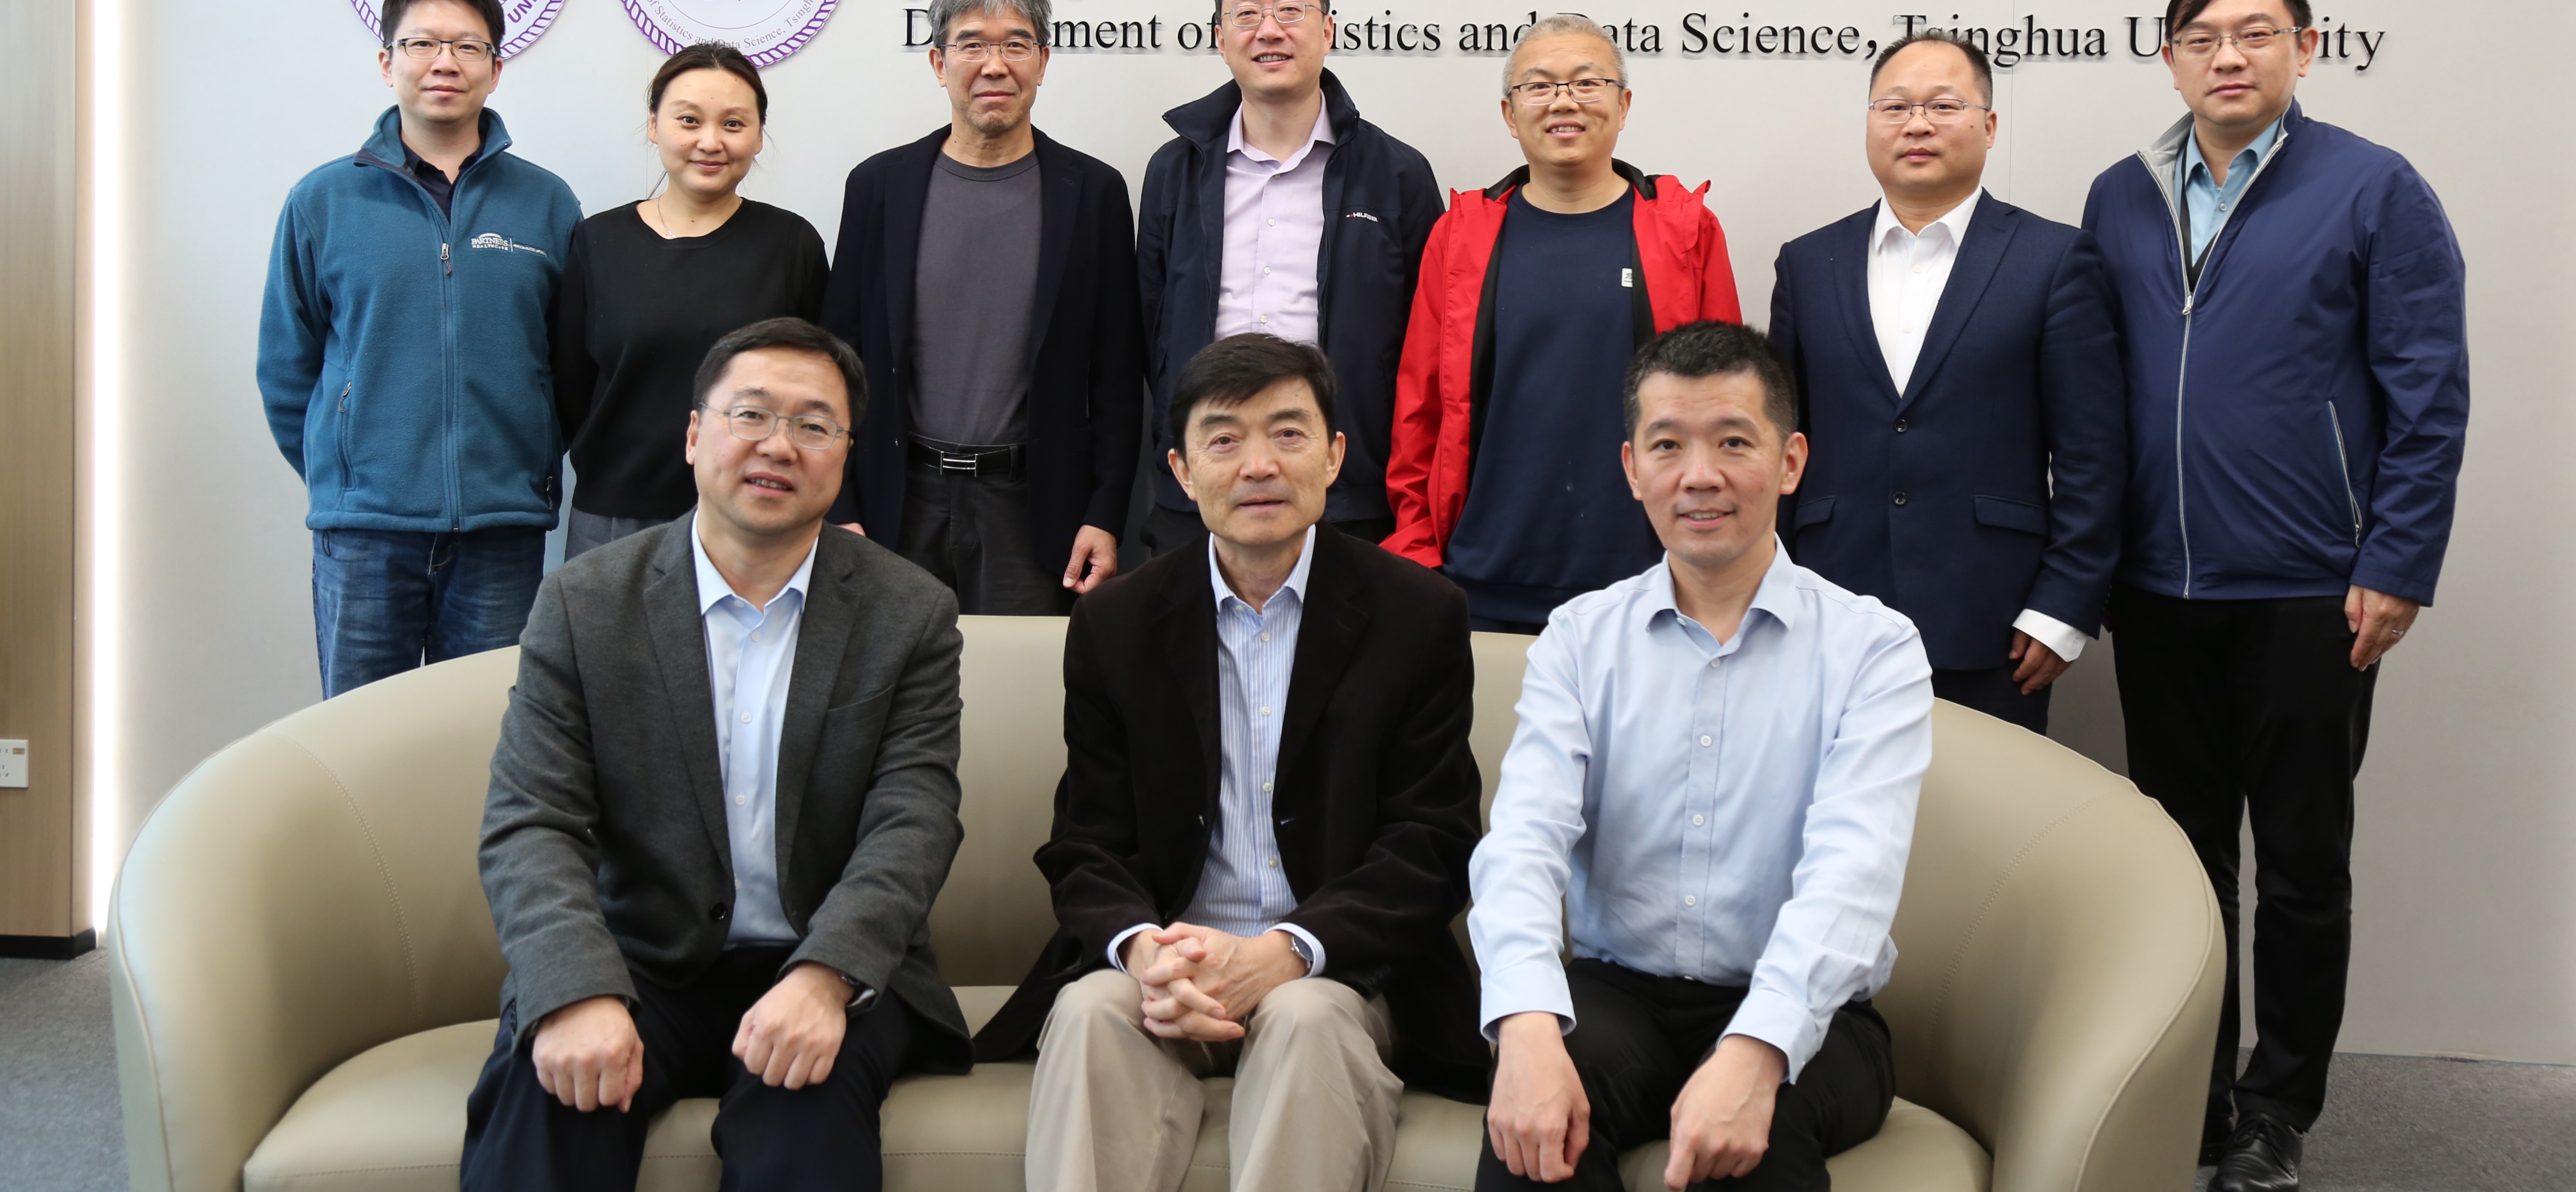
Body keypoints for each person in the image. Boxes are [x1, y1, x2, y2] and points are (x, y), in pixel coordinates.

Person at [2082, 0, 2468, 1192]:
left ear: (2305, 47)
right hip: (2157, 588)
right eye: (2202, 36)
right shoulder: (2121, 194)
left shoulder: (2371, 185)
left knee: (2300, 863)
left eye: (2256, 33)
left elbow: (2428, 391)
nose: (2228, 55)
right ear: (2169, 59)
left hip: (2311, 586)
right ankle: (2190, 1094)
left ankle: (2275, 1109)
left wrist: (2396, 557)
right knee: (2182, 862)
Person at [462, 317, 971, 1192]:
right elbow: (531, 819)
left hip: (822, 956)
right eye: (752, 414)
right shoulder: (586, 602)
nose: (780, 445)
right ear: (696, 434)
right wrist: (576, 988)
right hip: (640, 961)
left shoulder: (911, 612)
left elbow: (914, 820)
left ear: (844, 456)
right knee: (550, 1101)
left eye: (814, 425)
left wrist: (827, 976)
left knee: (803, 1127)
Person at [974, 333, 1486, 1192]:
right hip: (1170, 967)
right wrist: (1143, 951)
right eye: (1224, 439)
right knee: (1090, 1009)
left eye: (1287, 433)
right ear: (1181, 470)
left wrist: (1288, 950)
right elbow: (1087, 842)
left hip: (1334, 971)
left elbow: (1431, 842)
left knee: (1305, 1020)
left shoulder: (1418, 614)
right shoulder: (1116, 623)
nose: (1258, 465)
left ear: (1333, 456)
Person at [1471, 320, 1932, 1192]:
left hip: (1814, 1015)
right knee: (1533, 1140)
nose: (1699, 475)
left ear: (1790, 461)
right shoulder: (1578, 639)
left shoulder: (1875, 649)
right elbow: (1523, 842)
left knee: (1754, 1149)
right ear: (1631, 468)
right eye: (1667, 445)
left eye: (1733, 442)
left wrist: (1756, 1050)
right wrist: (1524, 1024)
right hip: (1617, 995)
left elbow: (1853, 872)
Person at [1767, 31, 2123, 732]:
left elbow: (2094, 451)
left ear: (1988, 126)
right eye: (1895, 106)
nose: (1917, 124)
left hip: (1996, 618)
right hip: (1829, 610)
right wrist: (1770, 593)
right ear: (1869, 123)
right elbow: (1781, 444)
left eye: (1942, 105)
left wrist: (2064, 606)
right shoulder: (1808, 263)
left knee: (1984, 804)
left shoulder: (2053, 259)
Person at [257, 0, 581, 696]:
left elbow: (568, 364)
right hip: (365, 534)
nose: (445, 62)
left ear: (495, 68)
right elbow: (287, 366)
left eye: (467, 46)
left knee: (487, 739)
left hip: (501, 532)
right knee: (362, 741)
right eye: (423, 43)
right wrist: (350, 469)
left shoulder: (547, 203)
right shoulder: (323, 200)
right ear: (387, 62)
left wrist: (522, 460)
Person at [1385, 15, 1743, 631]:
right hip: (1481, 578)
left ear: (1623, 105)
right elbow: (1419, 409)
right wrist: (1419, 556)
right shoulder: (1460, 237)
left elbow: (1729, 407)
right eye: (1539, 86)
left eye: (1586, 82)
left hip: (1648, 582)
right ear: (1510, 113)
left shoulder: (1686, 232)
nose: (1563, 102)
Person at [820, 0, 1143, 614]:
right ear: (939, 63)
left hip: (1035, 510)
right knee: (891, 673)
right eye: (972, 44)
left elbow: (1116, 375)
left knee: (1023, 677)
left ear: (1043, 61)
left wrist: (1105, 514)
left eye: (1015, 44)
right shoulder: (879, 187)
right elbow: (838, 359)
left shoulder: (1093, 193)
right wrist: (840, 502)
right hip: (897, 503)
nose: (995, 65)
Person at [1136, 0, 1442, 557]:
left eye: (1290, 11)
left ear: (1327, 29)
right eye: (1246, 14)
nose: (1268, 31)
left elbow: (1428, 342)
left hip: (1345, 493)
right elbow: (1149, 324)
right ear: (1221, 37)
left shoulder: (1397, 174)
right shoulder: (1175, 169)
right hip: (1202, 487)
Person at [551, 44, 828, 559]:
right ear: (654, 125)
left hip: (754, 513)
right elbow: (571, 388)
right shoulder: (599, 242)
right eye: (689, 120)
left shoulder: (791, 245)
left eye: (733, 124)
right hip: (615, 518)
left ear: (758, 136)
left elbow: (818, 390)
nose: (710, 142)